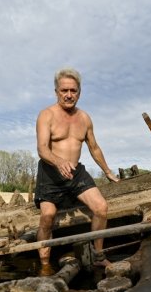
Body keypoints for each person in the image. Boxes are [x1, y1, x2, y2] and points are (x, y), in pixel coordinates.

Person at [34, 67, 119, 275]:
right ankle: (45, 264)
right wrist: (58, 161)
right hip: (50, 174)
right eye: (64, 90)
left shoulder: (85, 118)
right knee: (48, 216)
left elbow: (94, 147)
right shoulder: (46, 115)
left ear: (79, 92)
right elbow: (42, 148)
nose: (69, 95)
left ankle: (98, 256)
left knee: (101, 207)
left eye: (73, 91)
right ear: (56, 92)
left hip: (74, 173)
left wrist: (107, 171)